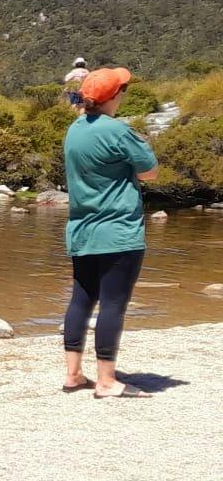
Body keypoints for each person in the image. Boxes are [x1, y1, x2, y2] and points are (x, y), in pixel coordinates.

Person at [62, 66, 159, 398]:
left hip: (81, 231)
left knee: (81, 300)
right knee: (113, 304)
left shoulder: (74, 130)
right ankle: (106, 381)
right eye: (123, 90)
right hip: (119, 232)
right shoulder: (118, 131)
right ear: (115, 96)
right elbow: (150, 173)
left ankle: (73, 375)